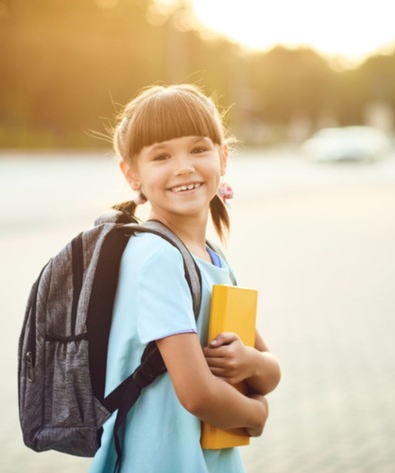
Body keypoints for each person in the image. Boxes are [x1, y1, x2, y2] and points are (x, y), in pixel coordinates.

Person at [89, 84, 281, 473]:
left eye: (198, 149)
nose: (183, 167)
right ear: (132, 174)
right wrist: (256, 415)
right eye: (161, 156)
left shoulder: (212, 257)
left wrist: (247, 362)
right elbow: (197, 394)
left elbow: (270, 368)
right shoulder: (156, 257)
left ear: (223, 157)